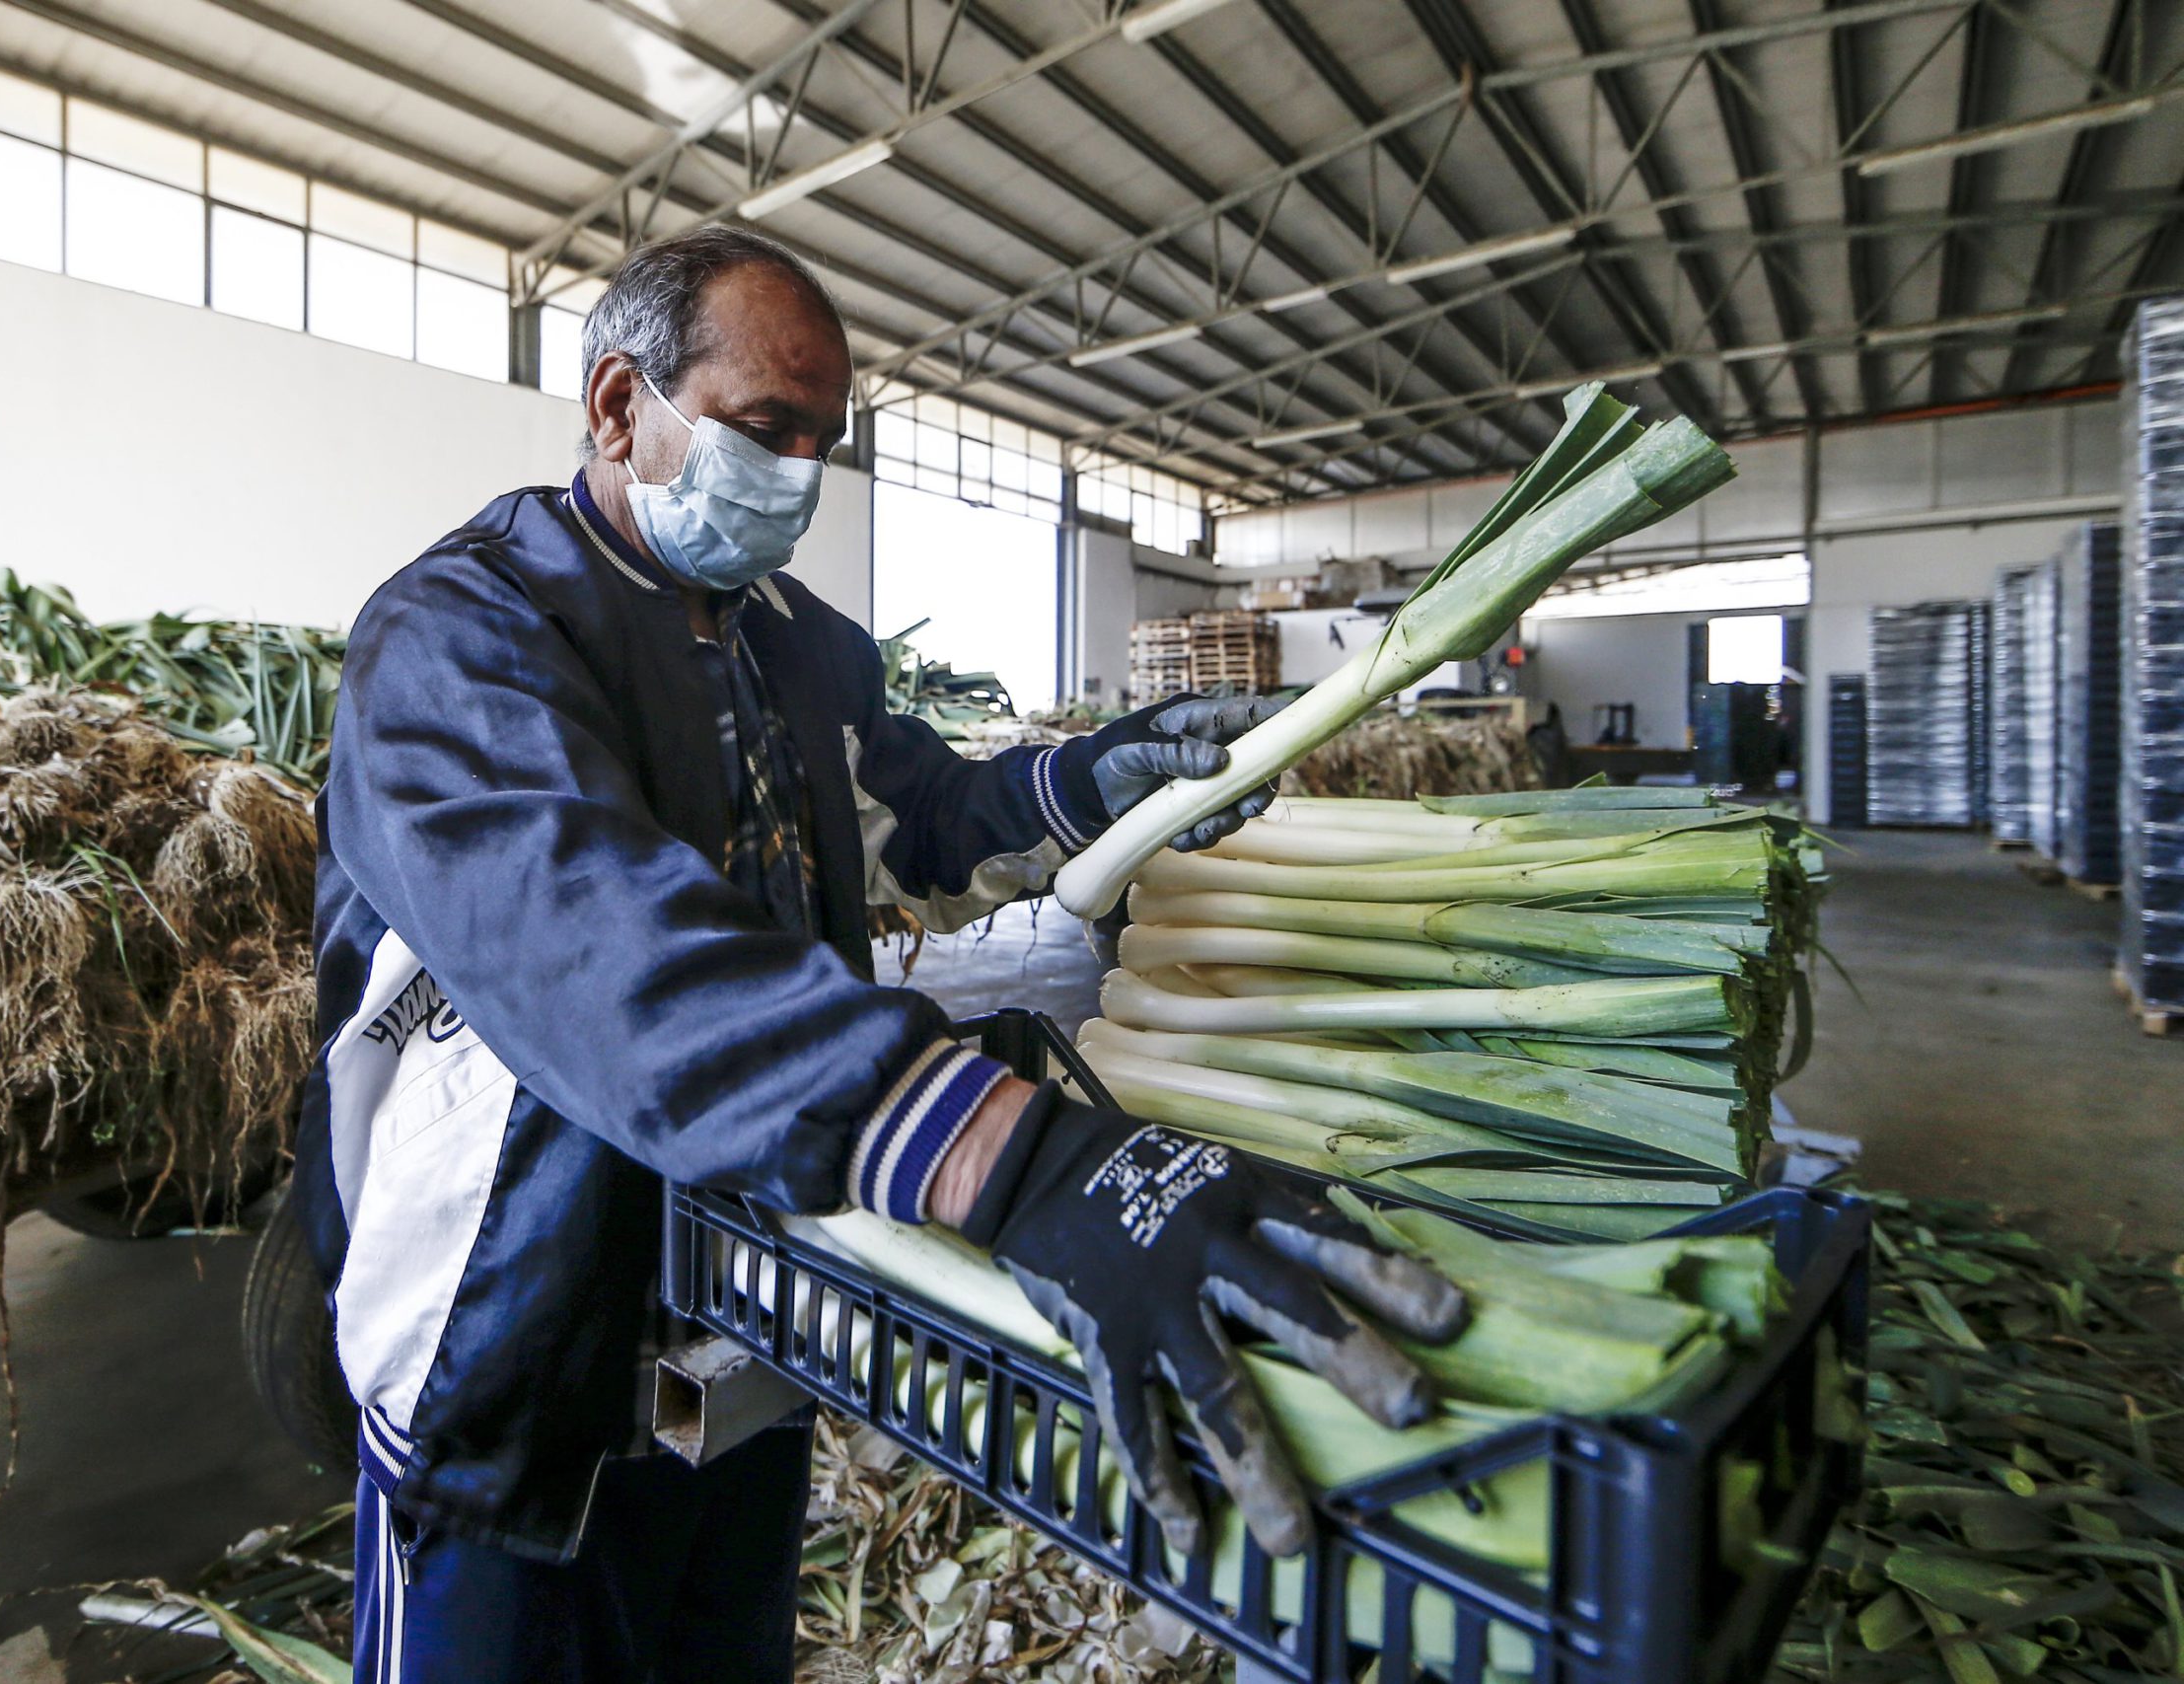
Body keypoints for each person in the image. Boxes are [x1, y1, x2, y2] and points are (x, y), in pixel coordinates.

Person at [300, 224, 1466, 1684]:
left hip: (758, 1302)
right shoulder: (462, 636)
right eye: (763, 428)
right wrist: (1008, 1161)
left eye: (823, 442)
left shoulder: (798, 646)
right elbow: (589, 945)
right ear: (616, 405)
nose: (798, 475)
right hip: (517, 1329)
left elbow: (918, 821)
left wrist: (1097, 778)